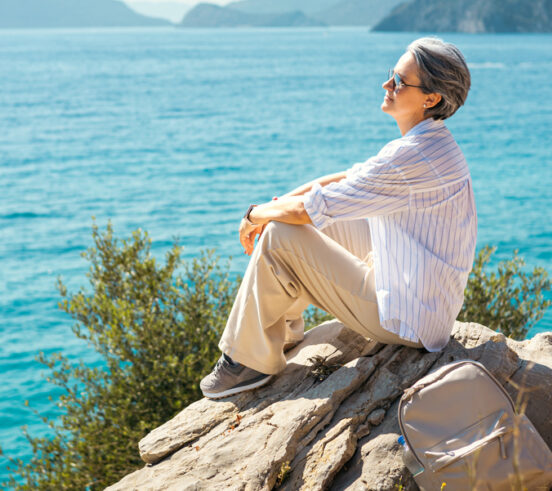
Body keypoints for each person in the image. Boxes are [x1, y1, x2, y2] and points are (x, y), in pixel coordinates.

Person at [200, 37, 477, 399]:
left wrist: (255, 214)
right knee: (316, 219)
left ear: (431, 99)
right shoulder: (428, 144)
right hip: (423, 301)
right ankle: (280, 330)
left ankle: (247, 362)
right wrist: (280, 201)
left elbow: (305, 212)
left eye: (399, 81)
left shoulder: (412, 158)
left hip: (408, 321)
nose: (386, 85)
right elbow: (347, 179)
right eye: (390, 75)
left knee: (283, 233)